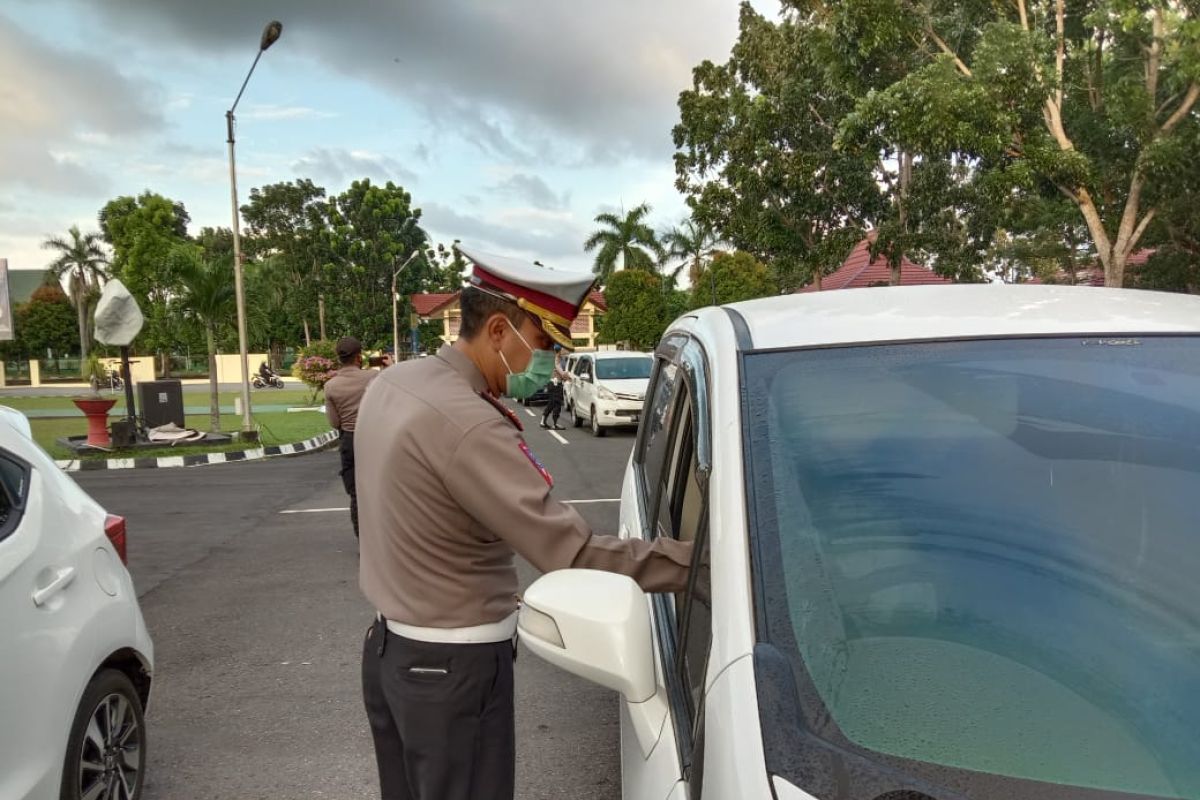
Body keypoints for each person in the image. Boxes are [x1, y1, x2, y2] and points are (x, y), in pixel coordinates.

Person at [356, 247, 694, 800]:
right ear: (496, 330)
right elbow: (570, 553)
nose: (547, 363)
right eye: (541, 345)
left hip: (391, 656)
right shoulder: (468, 424)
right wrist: (695, 563)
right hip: (452, 673)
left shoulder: (396, 382)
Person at [323, 336, 378, 538]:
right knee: (380, 490)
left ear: (339, 358)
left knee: (356, 493)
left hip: (350, 441)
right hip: (374, 439)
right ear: (359, 357)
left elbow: (334, 422)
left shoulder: (331, 386)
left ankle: (363, 540)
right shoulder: (373, 377)